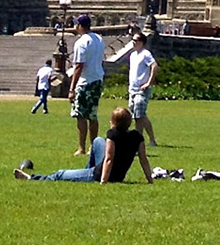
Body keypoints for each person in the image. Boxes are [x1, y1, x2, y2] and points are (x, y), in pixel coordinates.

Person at [15, 106, 154, 183]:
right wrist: (150, 180)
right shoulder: (137, 136)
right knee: (98, 141)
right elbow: (143, 159)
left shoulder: (113, 135)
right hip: (119, 175)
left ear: (113, 122)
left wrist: (103, 181)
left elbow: (109, 159)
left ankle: (31, 178)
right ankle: (86, 169)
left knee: (60, 174)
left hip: (99, 174)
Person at [65, 14, 107, 157]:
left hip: (85, 81)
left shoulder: (81, 42)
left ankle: (82, 147)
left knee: (81, 115)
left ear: (79, 26)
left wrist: (71, 88)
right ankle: (93, 147)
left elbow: (79, 66)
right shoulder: (99, 39)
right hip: (97, 79)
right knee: (93, 115)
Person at [123, 31, 158, 147]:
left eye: (136, 40)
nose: (133, 42)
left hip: (141, 90)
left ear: (142, 42)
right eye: (132, 40)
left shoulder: (146, 54)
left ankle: (137, 142)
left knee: (138, 117)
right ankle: (152, 139)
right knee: (140, 115)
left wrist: (149, 82)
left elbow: (154, 66)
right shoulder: (133, 55)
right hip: (132, 89)